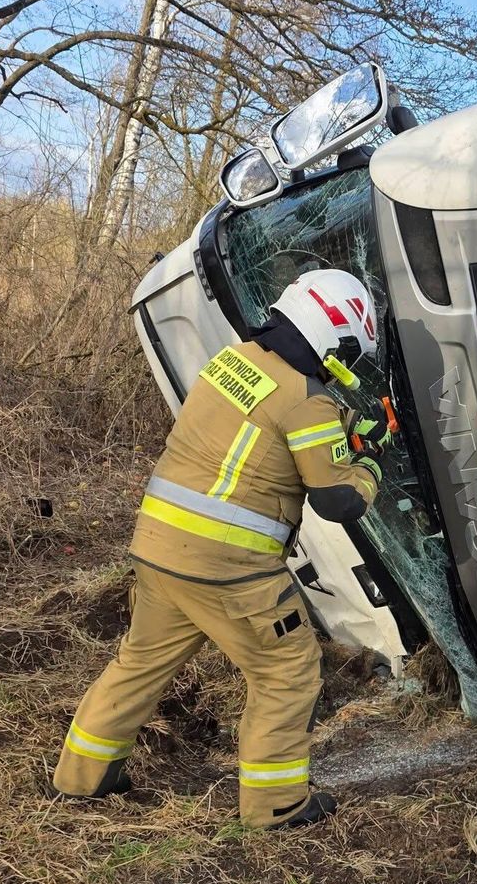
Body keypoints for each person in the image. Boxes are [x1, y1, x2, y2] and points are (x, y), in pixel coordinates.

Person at [51, 268, 393, 830]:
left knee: (140, 662)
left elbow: (266, 424)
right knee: (287, 670)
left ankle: (81, 776)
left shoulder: (234, 361)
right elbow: (337, 500)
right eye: (348, 353)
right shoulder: (307, 401)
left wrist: (344, 427)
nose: (345, 365)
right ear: (334, 338)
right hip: (229, 568)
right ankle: (276, 804)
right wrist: (371, 464)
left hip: (159, 548)